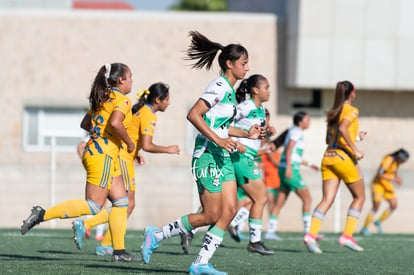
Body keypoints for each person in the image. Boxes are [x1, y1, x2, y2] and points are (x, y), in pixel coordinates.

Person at [140, 31, 261, 275]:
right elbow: (193, 114)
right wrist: (219, 139)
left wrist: (245, 135)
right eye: (244, 63)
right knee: (210, 214)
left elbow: (221, 125)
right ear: (230, 63)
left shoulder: (228, 90)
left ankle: (200, 263)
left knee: (228, 211)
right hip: (207, 156)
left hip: (221, 156)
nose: (247, 68)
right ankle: (157, 235)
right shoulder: (218, 86)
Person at [21, 63, 137, 262]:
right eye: (130, 76)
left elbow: (85, 123)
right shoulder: (122, 100)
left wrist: (102, 135)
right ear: (121, 80)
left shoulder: (102, 99)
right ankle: (41, 214)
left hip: (103, 153)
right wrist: (128, 142)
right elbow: (116, 123)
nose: (132, 80)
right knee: (93, 206)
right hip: (104, 155)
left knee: (121, 201)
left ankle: (119, 251)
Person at [74, 82, 180, 256]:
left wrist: (135, 151)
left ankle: (103, 240)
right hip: (122, 157)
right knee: (125, 204)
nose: (169, 102)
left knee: (126, 204)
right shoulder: (149, 114)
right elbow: (147, 144)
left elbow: (133, 136)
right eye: (167, 99)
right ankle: (96, 234)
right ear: (158, 100)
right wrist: (168, 149)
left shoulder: (144, 110)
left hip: (126, 156)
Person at [304, 80, 366, 253]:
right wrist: (356, 149)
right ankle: (347, 236)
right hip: (342, 158)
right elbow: (344, 128)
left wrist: (357, 137)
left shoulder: (334, 111)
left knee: (326, 199)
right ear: (352, 93)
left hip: (328, 156)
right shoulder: (352, 110)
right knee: (359, 197)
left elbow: (329, 139)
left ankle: (310, 235)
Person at [226, 75, 276, 255]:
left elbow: (253, 130)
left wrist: (267, 130)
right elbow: (225, 124)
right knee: (260, 198)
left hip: (248, 157)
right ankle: (255, 242)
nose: (269, 91)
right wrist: (232, 142)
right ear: (255, 90)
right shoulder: (245, 106)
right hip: (241, 158)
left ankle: (188, 230)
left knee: (222, 208)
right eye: (267, 87)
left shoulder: (260, 108)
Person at [266, 111, 319, 239]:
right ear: (300, 122)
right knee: (307, 199)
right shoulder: (297, 132)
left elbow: (294, 155)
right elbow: (289, 148)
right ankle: (309, 232)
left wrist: (310, 164)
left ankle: (270, 231)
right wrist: (289, 167)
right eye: (307, 119)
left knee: (279, 202)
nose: (309, 121)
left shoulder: (292, 131)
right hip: (291, 171)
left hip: (283, 169)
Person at [361, 148, 409, 236]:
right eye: (403, 160)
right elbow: (380, 174)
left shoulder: (396, 163)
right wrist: (393, 179)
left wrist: (397, 178)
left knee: (394, 205)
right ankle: (365, 228)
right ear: (399, 157)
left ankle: (378, 221)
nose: (403, 162)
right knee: (376, 206)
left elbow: (393, 172)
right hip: (378, 185)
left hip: (387, 185)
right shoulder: (388, 160)